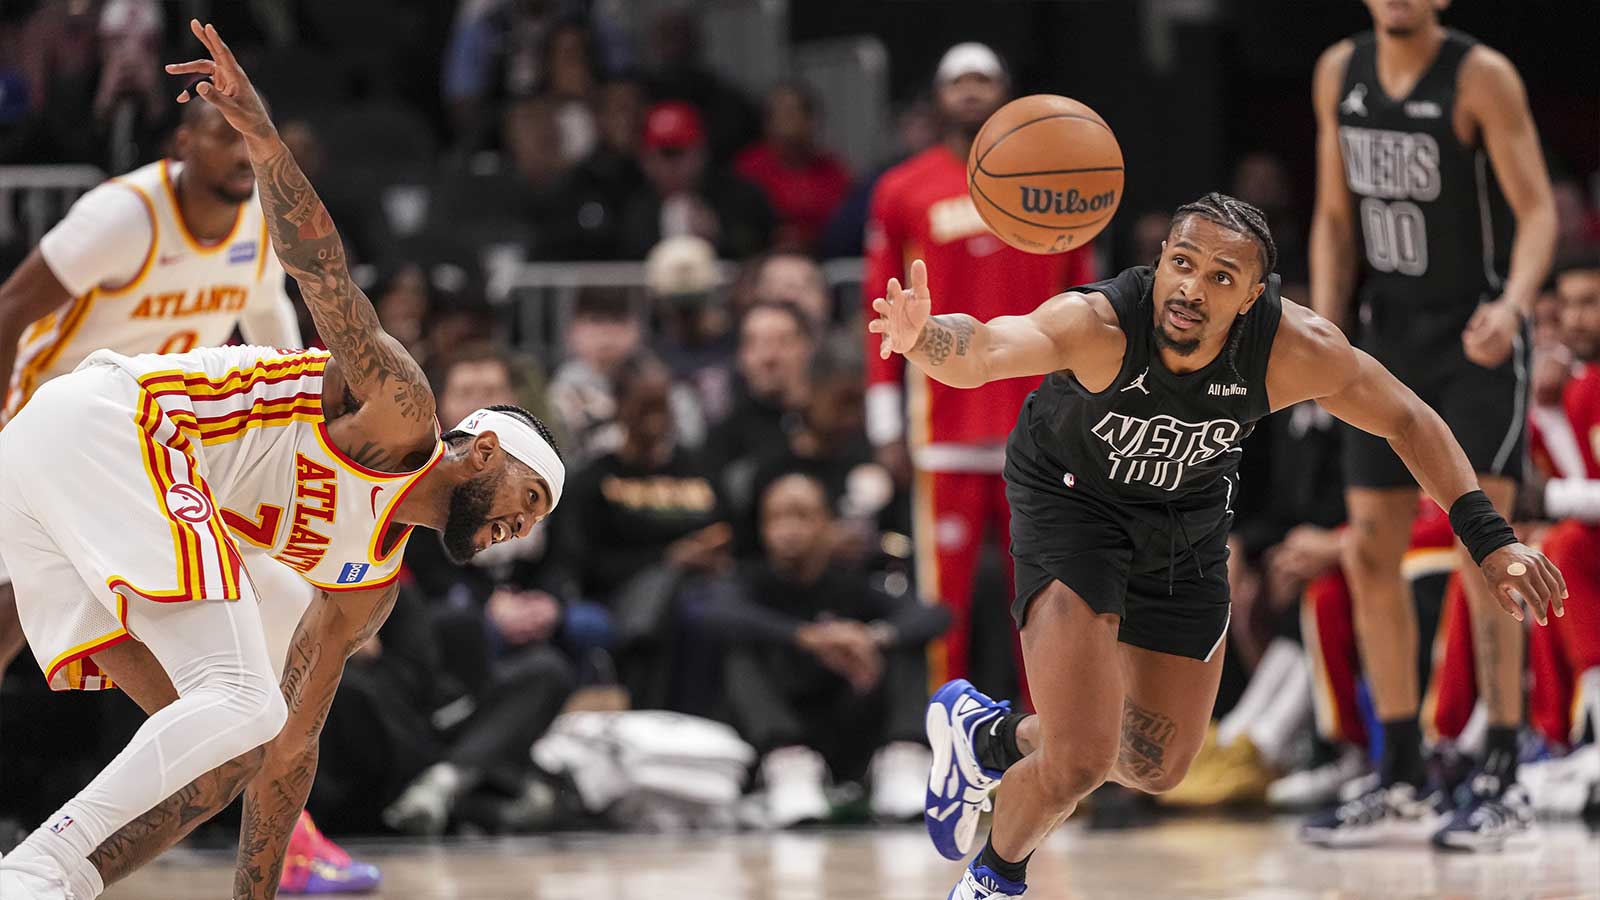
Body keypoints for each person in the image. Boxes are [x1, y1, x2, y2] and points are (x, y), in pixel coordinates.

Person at [0, 22, 564, 900]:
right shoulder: (400, 410)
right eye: (526, 498)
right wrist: (263, 135)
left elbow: (287, 760)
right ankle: (37, 866)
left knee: (238, 738)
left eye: (533, 523)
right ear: (481, 448)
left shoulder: (366, 585)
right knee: (243, 698)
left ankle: (52, 880)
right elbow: (324, 274)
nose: (519, 525)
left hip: (49, 474)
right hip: (113, 425)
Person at [867, 192, 1566, 899]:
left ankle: (986, 736)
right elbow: (987, 348)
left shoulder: (1294, 348)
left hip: (1185, 522)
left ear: (1253, 295)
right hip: (1072, 504)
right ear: (1159, 263)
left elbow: (1410, 420)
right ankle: (992, 880)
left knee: (1155, 765)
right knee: (1079, 762)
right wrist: (926, 338)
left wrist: (1490, 540)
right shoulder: (1101, 323)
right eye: (1182, 264)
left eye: (1221, 277)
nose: (1193, 290)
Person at [0, 88, 381, 895]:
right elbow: (9, 314)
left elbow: (282, 346)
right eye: (221, 136)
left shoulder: (250, 233)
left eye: (247, 142)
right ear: (182, 142)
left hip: (158, 455)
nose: (241, 155)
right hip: (60, 435)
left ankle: (286, 835)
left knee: (255, 648)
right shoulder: (124, 217)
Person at [1306, 0, 1558, 848]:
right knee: (1367, 550)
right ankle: (1403, 772)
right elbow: (1336, 216)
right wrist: (1322, 333)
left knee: (1484, 547)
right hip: (1387, 334)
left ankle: (1501, 770)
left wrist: (1515, 305)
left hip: (1474, 337)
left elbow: (1537, 213)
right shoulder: (1339, 72)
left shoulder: (1480, 76)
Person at [863, 42, 1097, 693]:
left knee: (1048, 594)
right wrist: (886, 423)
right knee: (946, 608)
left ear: (1006, 92)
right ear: (938, 97)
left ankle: (1051, 741)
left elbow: (1087, 304)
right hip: (943, 428)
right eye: (957, 79)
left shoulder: (1057, 186)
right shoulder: (901, 190)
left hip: (1044, 428)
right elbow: (878, 307)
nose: (970, 90)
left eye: (983, 79)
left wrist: (1094, 408)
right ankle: (946, 740)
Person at [701, 472, 948, 826]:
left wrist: (870, 638)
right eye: (776, 518)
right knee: (740, 646)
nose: (788, 529)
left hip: (850, 722)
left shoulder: (850, 581)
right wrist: (806, 637)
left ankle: (901, 762)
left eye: (801, 516)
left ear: (828, 525)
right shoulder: (750, 582)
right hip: (784, 727)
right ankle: (788, 766)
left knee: (906, 642)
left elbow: (934, 614)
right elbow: (710, 612)